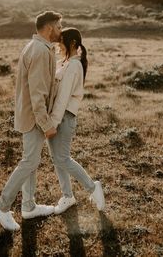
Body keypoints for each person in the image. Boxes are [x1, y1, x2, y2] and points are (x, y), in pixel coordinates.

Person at [0, 11, 62, 231]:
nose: (61, 31)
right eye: (59, 27)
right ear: (50, 28)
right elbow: (37, 94)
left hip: (30, 116)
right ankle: (2, 206)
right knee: (29, 162)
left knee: (31, 160)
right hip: (34, 118)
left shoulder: (34, 46)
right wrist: (46, 124)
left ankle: (29, 207)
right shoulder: (40, 51)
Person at [46, 27, 105, 214]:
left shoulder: (73, 66)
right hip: (57, 117)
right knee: (57, 159)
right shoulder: (66, 63)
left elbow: (63, 98)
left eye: (61, 41)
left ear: (72, 43)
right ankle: (67, 196)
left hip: (63, 118)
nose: (58, 45)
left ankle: (92, 187)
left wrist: (52, 123)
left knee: (63, 158)